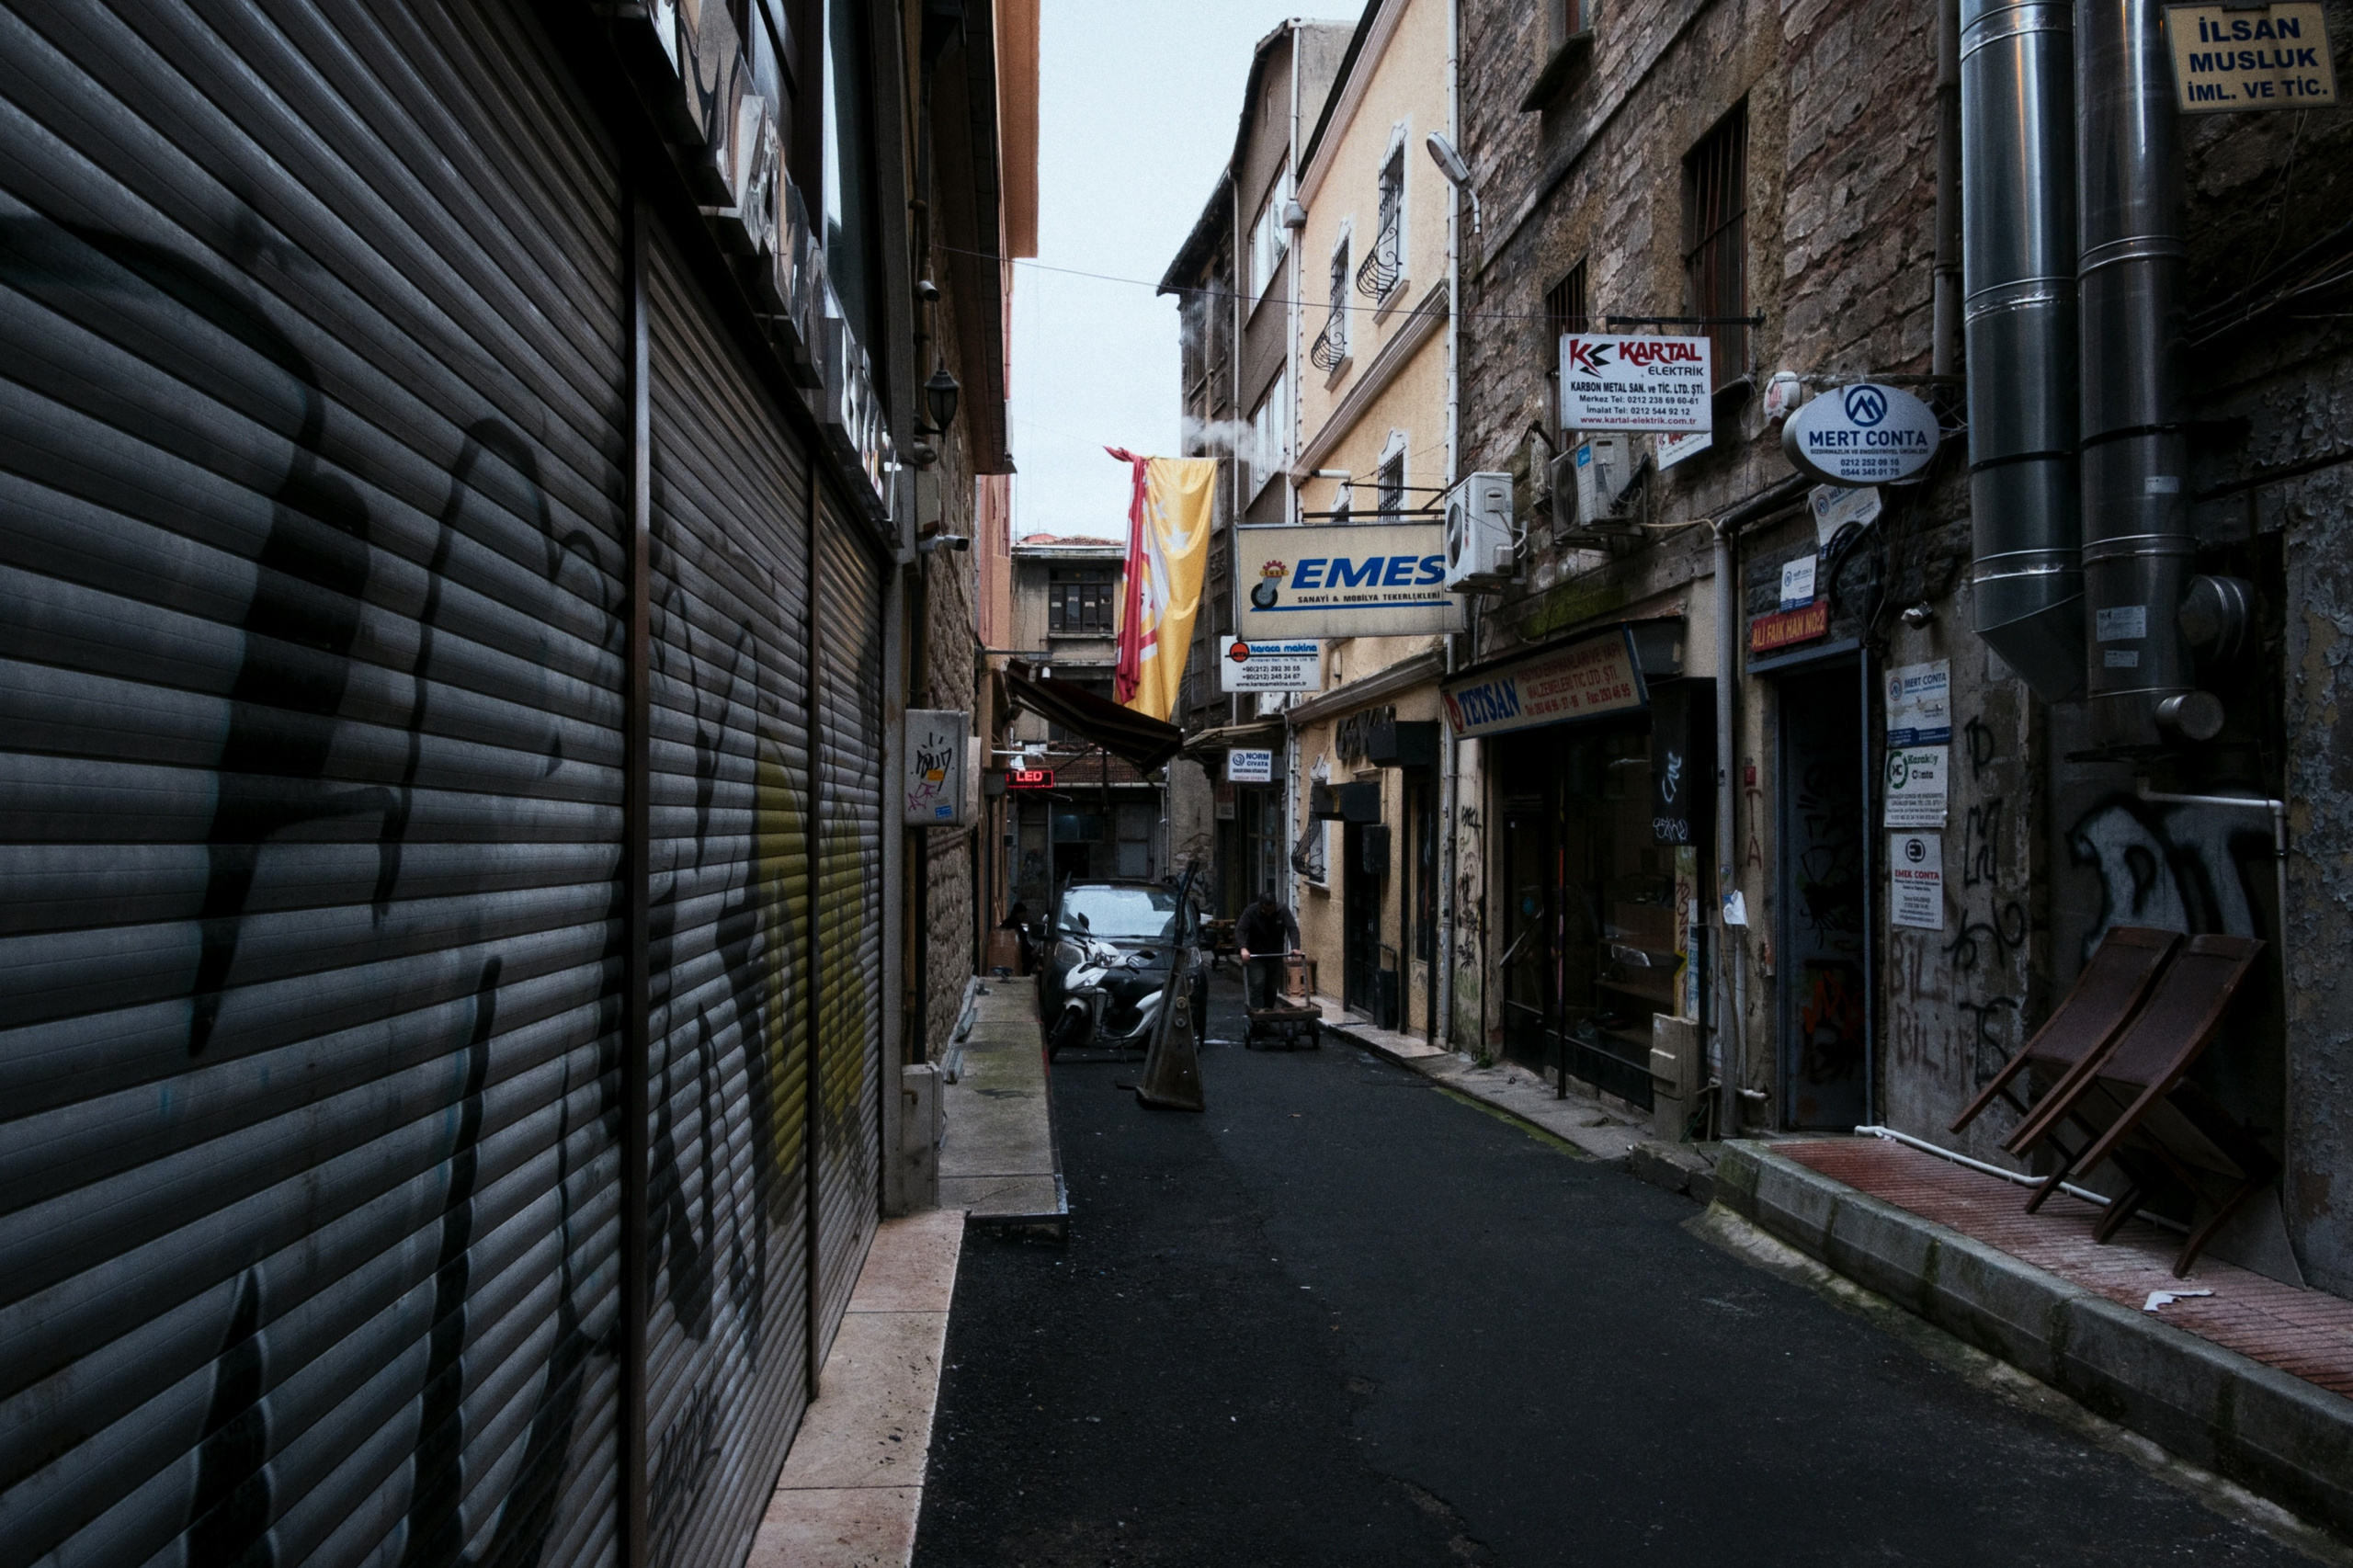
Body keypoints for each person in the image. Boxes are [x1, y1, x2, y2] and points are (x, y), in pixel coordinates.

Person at [1236, 890, 1301, 1013]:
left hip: (1275, 954)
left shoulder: (1282, 911)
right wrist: (1243, 948)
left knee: (1272, 988)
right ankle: (1256, 1014)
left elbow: (1292, 929)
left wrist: (1295, 947)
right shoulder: (1251, 911)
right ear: (1260, 906)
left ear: (1275, 906)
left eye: (1271, 911)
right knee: (1258, 984)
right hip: (1256, 955)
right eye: (1265, 911)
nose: (1268, 914)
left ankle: (1268, 1012)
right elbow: (1240, 930)